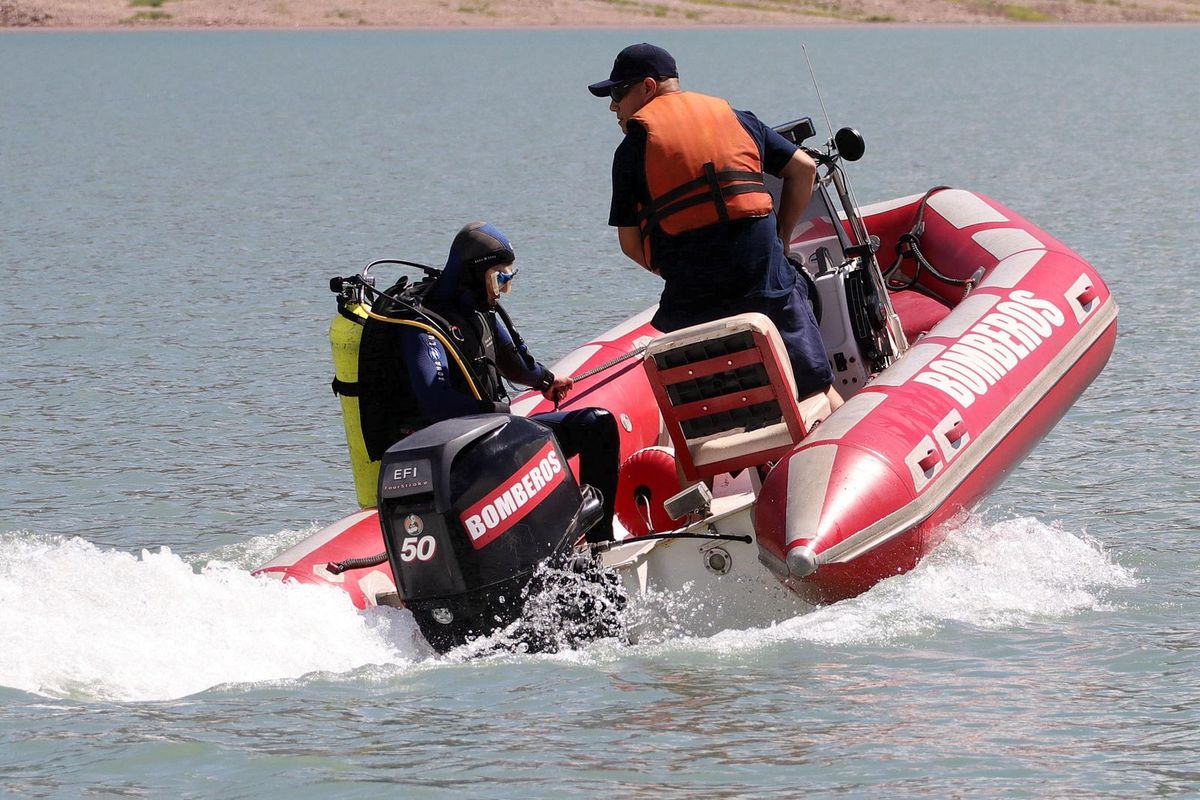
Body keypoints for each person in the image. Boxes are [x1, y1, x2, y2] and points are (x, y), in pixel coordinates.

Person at [589, 43, 843, 410]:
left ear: (647, 87)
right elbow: (803, 168)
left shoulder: (631, 149)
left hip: (695, 307)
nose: (613, 106)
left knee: (709, 415)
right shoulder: (737, 118)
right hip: (767, 287)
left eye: (617, 92)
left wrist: (671, 268)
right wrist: (781, 239)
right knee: (818, 391)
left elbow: (630, 244)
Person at [359, 221, 620, 542]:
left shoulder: (480, 312)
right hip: (453, 459)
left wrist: (547, 380)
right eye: (498, 279)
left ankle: (599, 542)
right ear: (473, 273)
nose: (501, 290)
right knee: (576, 430)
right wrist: (494, 410)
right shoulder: (423, 324)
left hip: (492, 437)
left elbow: (517, 364)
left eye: (507, 280)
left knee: (597, 424)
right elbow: (434, 399)